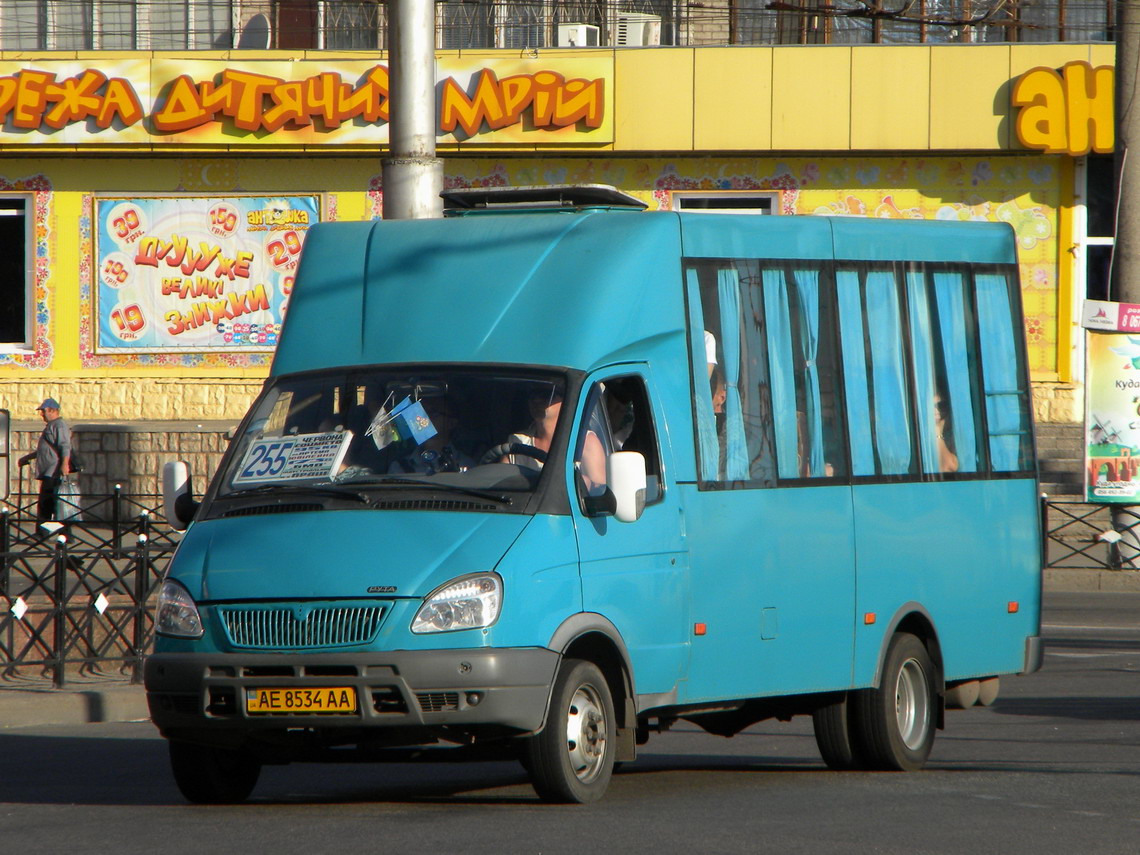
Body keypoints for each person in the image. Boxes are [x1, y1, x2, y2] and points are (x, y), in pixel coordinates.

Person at [389, 396, 474, 475]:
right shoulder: (398, 468)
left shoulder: (467, 465)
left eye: (433, 413)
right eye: (421, 413)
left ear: (451, 423)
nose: (424, 418)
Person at [19, 397, 71, 523]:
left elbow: (64, 445)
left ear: (52, 411)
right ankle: (61, 533)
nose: (42, 414)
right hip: (49, 471)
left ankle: (44, 533)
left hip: (53, 471)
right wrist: (27, 457)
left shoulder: (59, 425)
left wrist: (65, 464)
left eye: (44, 411)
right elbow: (44, 450)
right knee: (51, 504)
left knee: (48, 504)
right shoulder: (52, 426)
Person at [934, 394, 959, 474]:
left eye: (940, 406)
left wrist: (938, 433)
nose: (936, 411)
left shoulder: (955, 435)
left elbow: (949, 466)